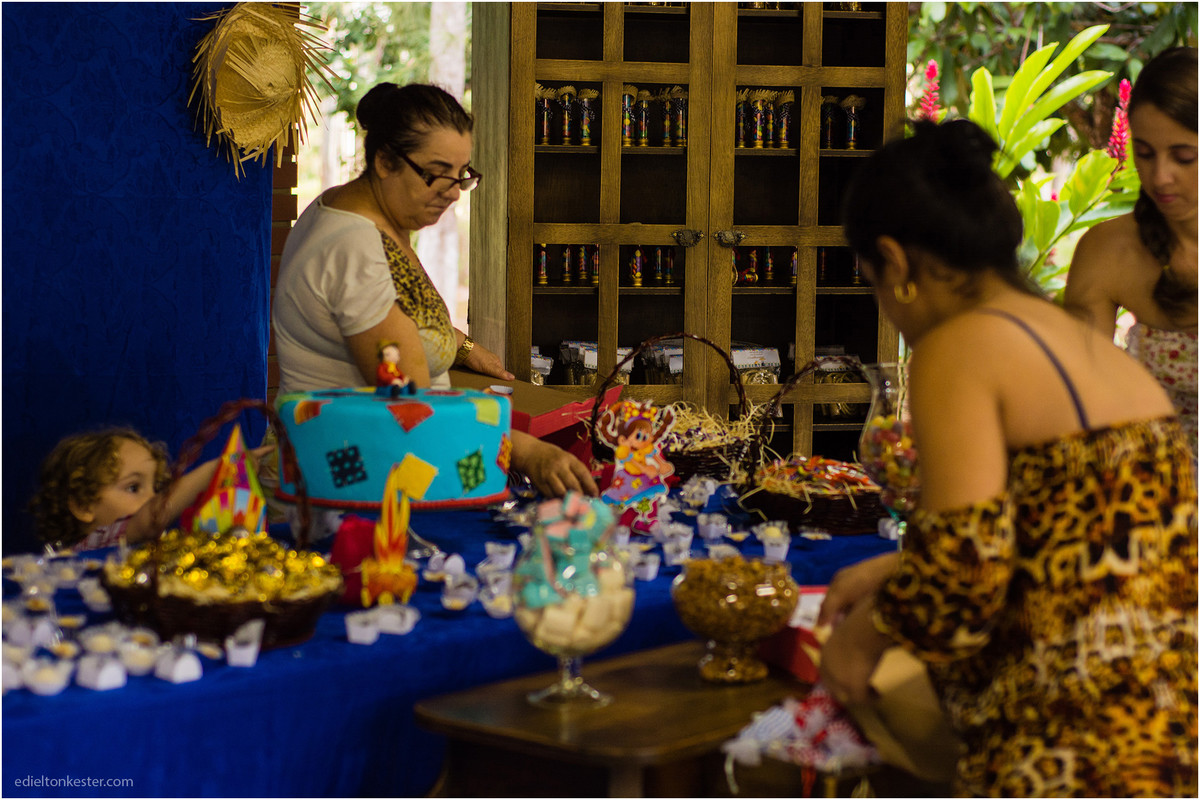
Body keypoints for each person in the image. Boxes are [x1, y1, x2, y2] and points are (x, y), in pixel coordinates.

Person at [816, 119, 1197, 796]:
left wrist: (861, 639)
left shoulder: (959, 347)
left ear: (895, 263)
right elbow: (1063, 540)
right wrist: (897, 567)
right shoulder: (1091, 352)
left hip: (1068, 747)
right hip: (1169, 734)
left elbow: (962, 587)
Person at [270, 82, 596, 498]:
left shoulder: (355, 208)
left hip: (391, 465)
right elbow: (415, 404)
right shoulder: (353, 249)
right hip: (358, 485)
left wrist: (461, 346)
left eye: (461, 175)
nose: (453, 193)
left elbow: (398, 312)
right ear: (386, 161)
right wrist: (529, 452)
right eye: (435, 175)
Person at [1064, 47, 1198, 453]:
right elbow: (1075, 402)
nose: (1160, 177)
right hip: (1151, 500)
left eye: (1184, 157)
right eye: (1145, 153)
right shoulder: (1109, 251)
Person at [28, 427, 271, 551]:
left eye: (156, 488)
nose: (153, 499)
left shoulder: (143, 544)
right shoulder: (93, 545)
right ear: (83, 505)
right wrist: (214, 470)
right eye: (133, 487)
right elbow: (148, 519)